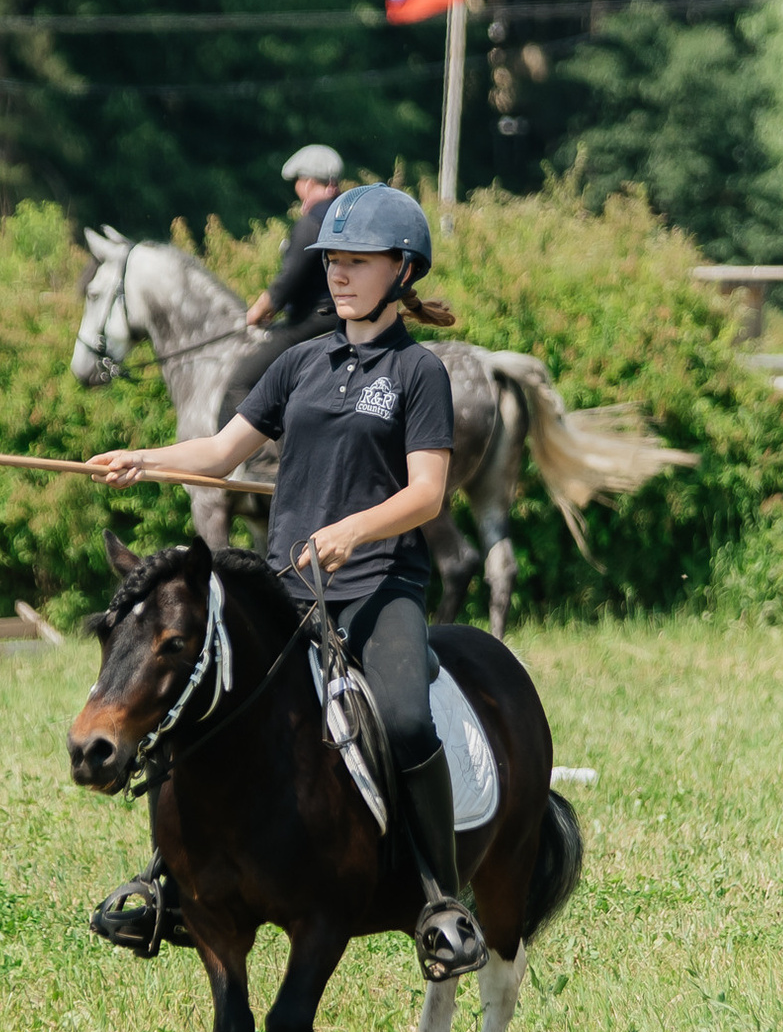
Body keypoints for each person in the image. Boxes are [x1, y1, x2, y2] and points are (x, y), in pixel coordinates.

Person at [87, 183, 485, 981]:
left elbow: (427, 494)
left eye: (356, 262)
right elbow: (220, 452)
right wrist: (145, 459)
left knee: (406, 720)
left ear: (401, 270)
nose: (337, 275)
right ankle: (168, 884)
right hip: (287, 592)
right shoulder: (300, 361)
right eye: (331, 260)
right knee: (197, 704)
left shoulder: (417, 374)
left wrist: (350, 530)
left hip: (379, 589)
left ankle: (442, 900)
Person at [219, 144, 347, 423]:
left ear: (308, 182)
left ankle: (263, 464)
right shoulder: (345, 216)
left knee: (239, 382)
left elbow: (289, 279)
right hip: (345, 321)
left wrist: (257, 311)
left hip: (312, 321)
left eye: (298, 183)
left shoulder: (311, 222)